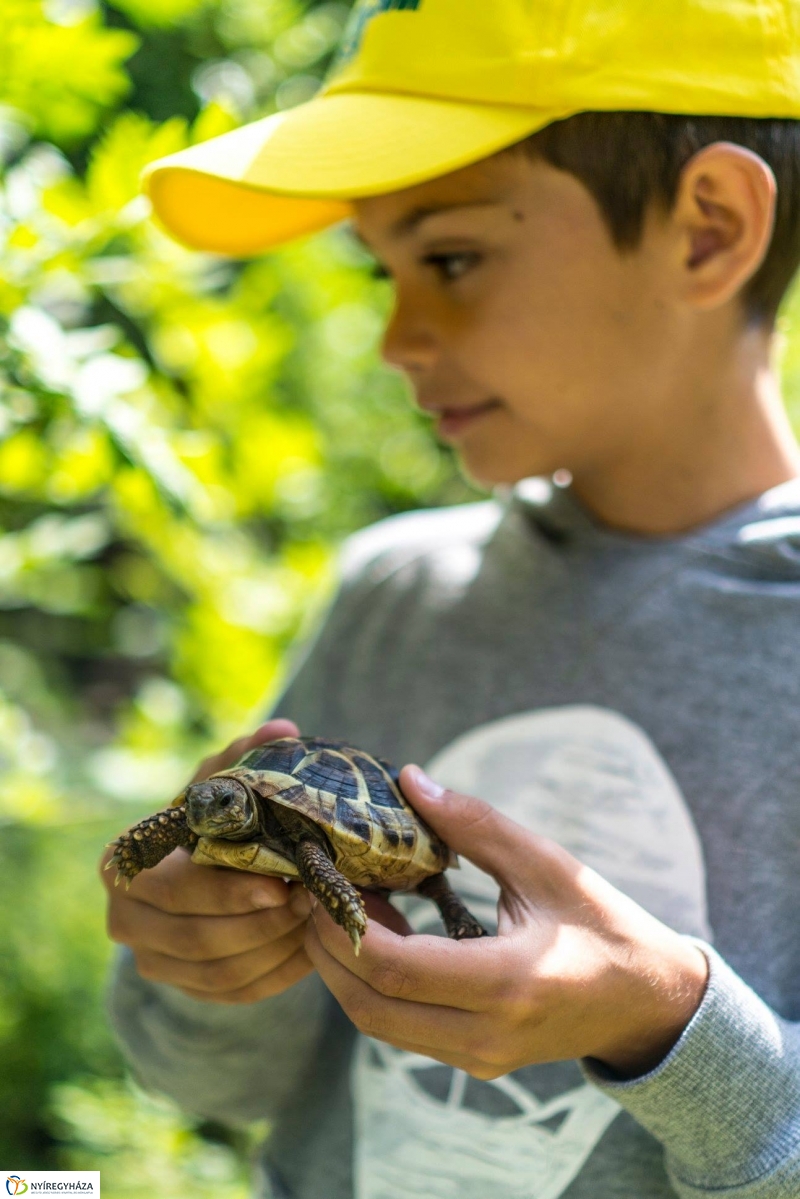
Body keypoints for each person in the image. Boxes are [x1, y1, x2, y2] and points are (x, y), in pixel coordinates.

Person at [101, 2, 800, 1196]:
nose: (393, 336)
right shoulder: (394, 596)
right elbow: (210, 1081)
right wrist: (203, 961)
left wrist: (668, 1022)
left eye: (451, 259)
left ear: (706, 229)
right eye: (379, 270)